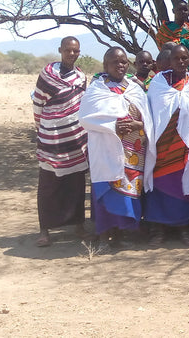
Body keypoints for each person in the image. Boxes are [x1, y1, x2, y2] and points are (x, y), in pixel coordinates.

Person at [79, 48, 154, 251]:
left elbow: (147, 118)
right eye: (114, 62)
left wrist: (139, 126)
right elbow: (85, 118)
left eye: (123, 62)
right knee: (106, 192)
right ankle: (104, 236)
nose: (120, 65)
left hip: (133, 153)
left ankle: (125, 233)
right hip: (105, 151)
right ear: (105, 65)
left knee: (130, 193)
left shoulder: (135, 89)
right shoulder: (96, 90)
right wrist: (113, 126)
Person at [145, 46, 189, 247]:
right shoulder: (158, 83)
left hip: (185, 145)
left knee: (183, 188)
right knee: (160, 186)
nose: (181, 62)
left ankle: (183, 228)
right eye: (176, 58)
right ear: (169, 61)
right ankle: (158, 231)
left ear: (188, 60)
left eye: (184, 58)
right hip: (162, 145)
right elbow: (154, 110)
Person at [32, 36, 89, 247]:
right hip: (51, 137)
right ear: (60, 50)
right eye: (68, 50)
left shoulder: (81, 77)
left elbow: (82, 105)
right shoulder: (47, 76)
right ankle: (44, 229)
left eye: (76, 51)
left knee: (76, 183)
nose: (72, 54)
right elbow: (38, 105)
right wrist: (42, 128)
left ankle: (79, 226)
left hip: (75, 137)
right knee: (48, 184)